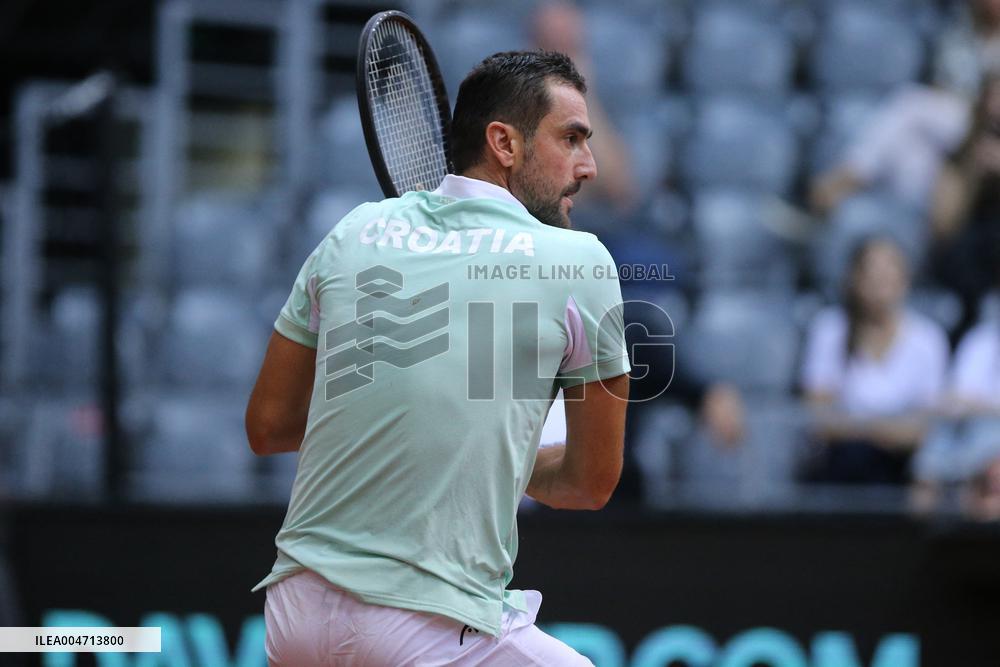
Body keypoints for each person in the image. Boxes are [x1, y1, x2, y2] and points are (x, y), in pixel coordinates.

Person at [245, 51, 631, 666]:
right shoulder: (580, 261)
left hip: (292, 617)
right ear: (504, 142)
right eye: (572, 138)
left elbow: (267, 427)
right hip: (426, 624)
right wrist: (483, 454)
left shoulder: (352, 231)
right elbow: (590, 483)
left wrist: (434, 441)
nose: (589, 165)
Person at [801, 237, 948, 484]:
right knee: (853, 459)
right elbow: (819, 418)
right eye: (872, 273)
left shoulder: (928, 339)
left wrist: (858, 425)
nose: (881, 283)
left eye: (890, 272)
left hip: (902, 466)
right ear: (854, 279)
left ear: (905, 279)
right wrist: (886, 428)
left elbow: (925, 429)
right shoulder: (829, 330)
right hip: (839, 463)